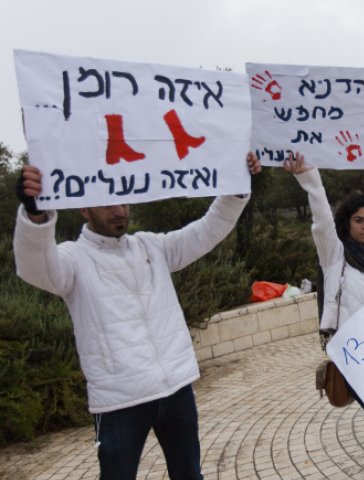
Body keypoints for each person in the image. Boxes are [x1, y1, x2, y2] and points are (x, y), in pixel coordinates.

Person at [13, 153, 262, 479]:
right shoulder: (72, 259)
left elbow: (207, 231)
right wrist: (35, 215)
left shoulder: (151, 247)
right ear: (84, 209)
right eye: (107, 204)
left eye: (123, 201)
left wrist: (236, 187)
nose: (119, 211)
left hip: (176, 389)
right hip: (119, 402)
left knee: (190, 476)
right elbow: (37, 269)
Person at [283, 153, 364, 480]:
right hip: (351, 354)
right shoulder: (335, 255)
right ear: (348, 221)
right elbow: (320, 219)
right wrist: (309, 175)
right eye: (358, 220)